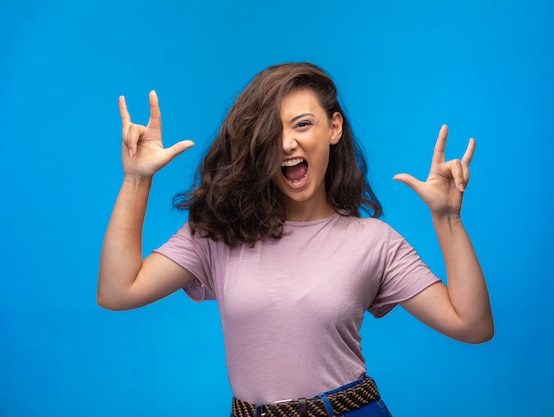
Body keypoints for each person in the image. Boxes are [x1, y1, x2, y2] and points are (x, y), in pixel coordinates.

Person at [98, 62, 493, 417]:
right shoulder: (220, 234)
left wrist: (448, 218)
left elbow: (472, 325)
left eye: (302, 124)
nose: (287, 143)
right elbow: (118, 291)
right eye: (272, 131)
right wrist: (137, 180)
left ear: (333, 128)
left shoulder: (375, 242)